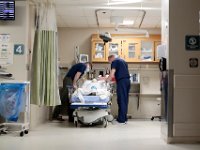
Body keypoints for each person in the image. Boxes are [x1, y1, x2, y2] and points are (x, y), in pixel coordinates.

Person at [106, 55, 130, 124]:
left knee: (121, 100)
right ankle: (124, 118)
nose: (110, 63)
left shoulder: (115, 61)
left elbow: (112, 74)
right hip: (127, 81)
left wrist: (106, 81)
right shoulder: (123, 61)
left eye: (109, 62)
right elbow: (119, 74)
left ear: (111, 59)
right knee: (125, 100)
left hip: (122, 82)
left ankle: (121, 120)